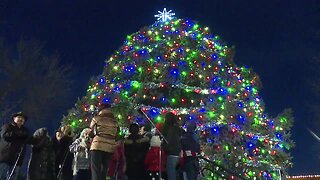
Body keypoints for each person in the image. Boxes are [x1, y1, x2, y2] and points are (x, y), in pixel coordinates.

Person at [90, 104, 118, 180]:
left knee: (96, 169)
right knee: (105, 169)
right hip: (110, 147)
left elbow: (91, 133)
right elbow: (116, 135)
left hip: (97, 145)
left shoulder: (96, 119)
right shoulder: (114, 121)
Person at [0, 111, 31, 180]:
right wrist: (18, 134)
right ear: (14, 118)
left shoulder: (25, 131)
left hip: (17, 159)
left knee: (13, 178)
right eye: (19, 117)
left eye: (23, 119)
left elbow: (30, 140)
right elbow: (4, 135)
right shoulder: (7, 126)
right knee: (1, 176)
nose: (21, 119)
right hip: (5, 158)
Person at [162, 112, 182, 180]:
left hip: (171, 154)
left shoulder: (170, 129)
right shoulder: (177, 128)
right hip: (177, 154)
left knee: (171, 175)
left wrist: (163, 146)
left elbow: (168, 141)